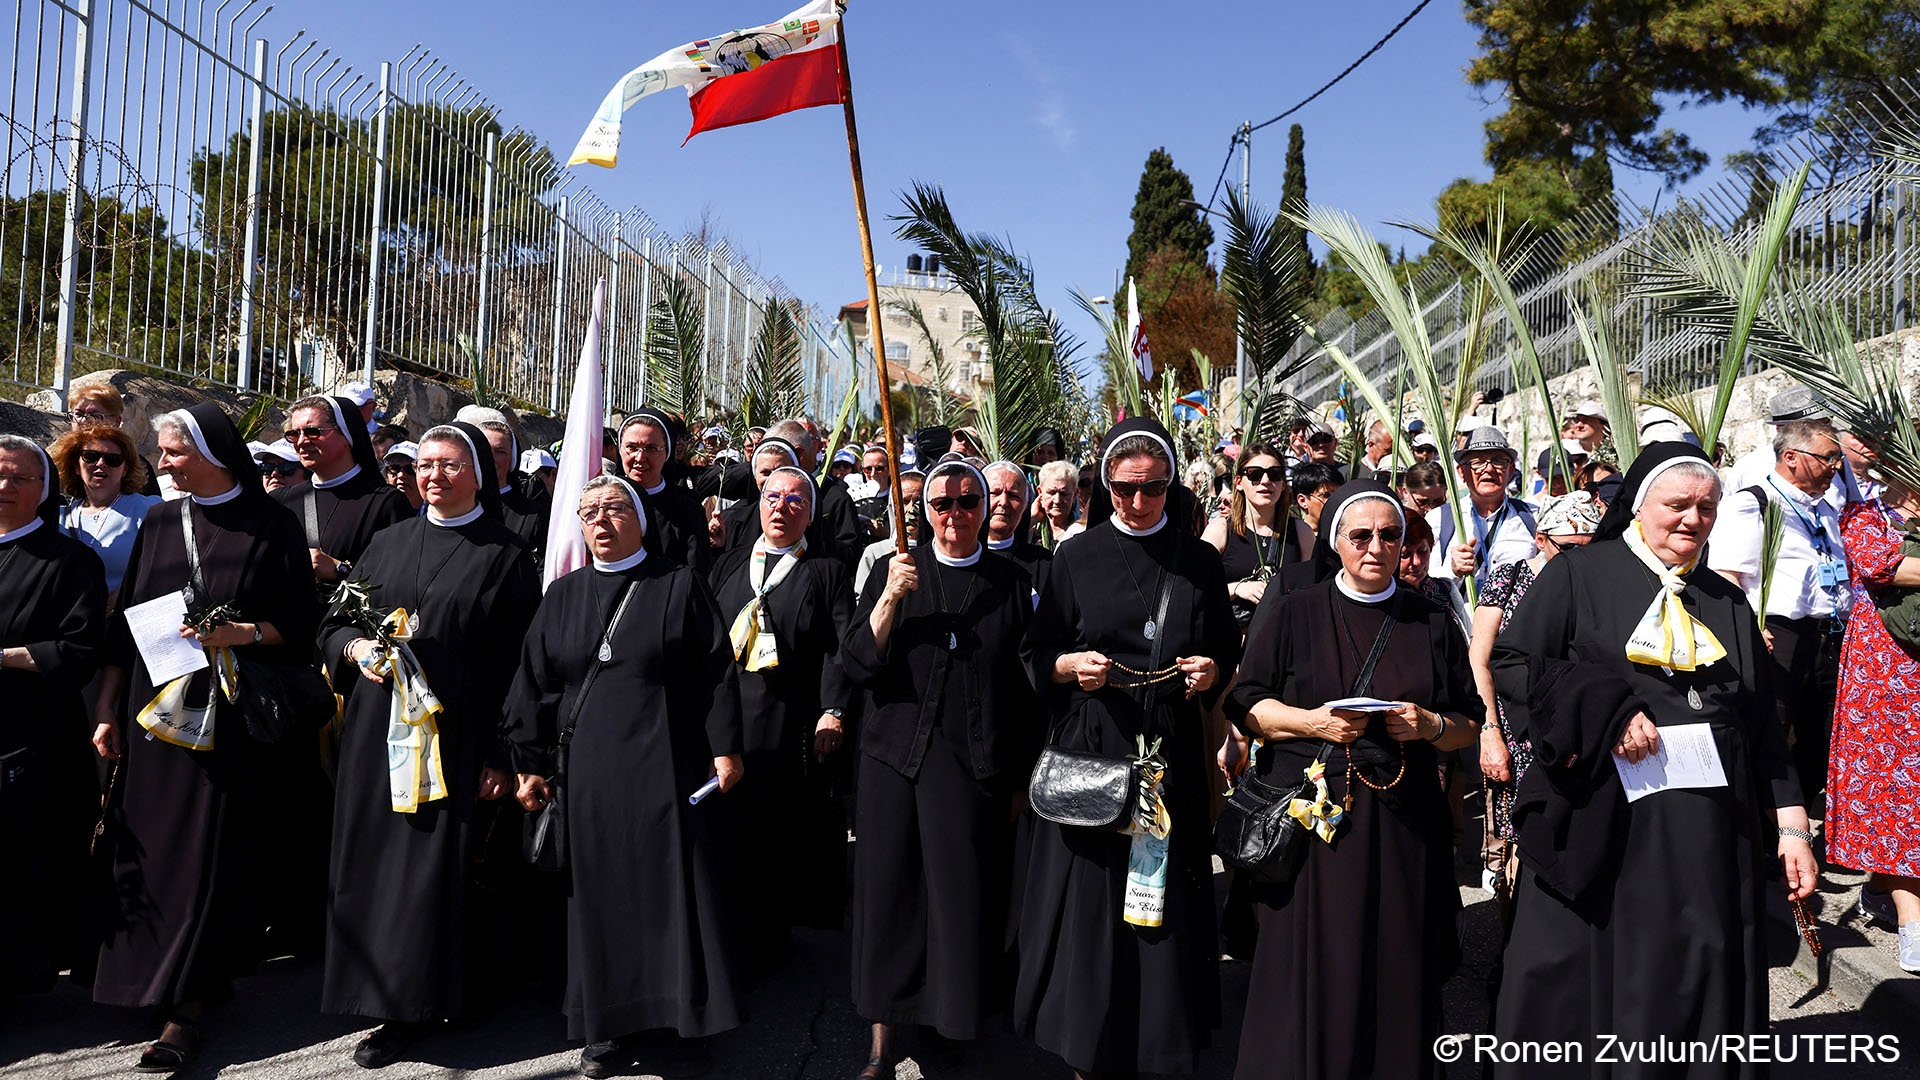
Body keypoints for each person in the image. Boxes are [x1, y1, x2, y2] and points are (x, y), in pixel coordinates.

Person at [1488, 444, 1816, 1072]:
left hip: (1711, 829)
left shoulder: (1725, 601)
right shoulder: (1580, 574)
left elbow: (1763, 730)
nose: (1692, 519)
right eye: (1677, 505)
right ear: (1640, 507)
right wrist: (1606, 710)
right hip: (1609, 818)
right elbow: (1514, 664)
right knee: (1609, 963)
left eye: (1707, 508)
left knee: (1700, 956)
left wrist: (1794, 827)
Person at [1226, 480, 1483, 1079]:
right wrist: (1311, 721)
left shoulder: (1432, 619)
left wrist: (1428, 725)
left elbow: (1468, 721)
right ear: (1335, 540)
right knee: (1317, 960)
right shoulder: (1295, 609)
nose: (1376, 547)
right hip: (1316, 818)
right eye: (1360, 535)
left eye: (1389, 535)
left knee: (1396, 958)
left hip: (1402, 820)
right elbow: (1247, 703)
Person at [91, 402, 320, 1071]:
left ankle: (188, 1002)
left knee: (205, 853)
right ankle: (144, 979)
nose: (160, 464)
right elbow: (125, 626)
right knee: (150, 847)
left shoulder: (272, 525)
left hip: (226, 721)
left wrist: (239, 634)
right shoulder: (161, 519)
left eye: (172, 453)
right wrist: (107, 709)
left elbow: (299, 627)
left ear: (214, 454)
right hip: (153, 713)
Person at [1014, 418, 1240, 1079]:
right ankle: (1092, 1046)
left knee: (1162, 900)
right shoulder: (1076, 557)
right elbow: (1036, 652)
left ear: (1170, 486)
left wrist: (1209, 672)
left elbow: (1224, 646)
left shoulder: (1196, 558)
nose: (1138, 502)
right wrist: (1068, 669)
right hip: (1098, 744)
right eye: (1123, 489)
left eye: (1153, 489)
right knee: (1096, 906)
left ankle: (1161, 1045)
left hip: (1168, 749)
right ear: (1103, 485)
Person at [505, 475, 746, 1080]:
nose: (601, 521)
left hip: (666, 762)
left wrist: (726, 749)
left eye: (614, 509)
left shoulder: (679, 583)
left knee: (670, 889)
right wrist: (529, 762)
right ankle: (604, 1025)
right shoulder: (561, 593)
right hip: (584, 771)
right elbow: (533, 681)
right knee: (597, 896)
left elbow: (715, 673)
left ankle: (682, 1019)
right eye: (589, 513)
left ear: (639, 518)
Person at [317, 423, 541, 1067]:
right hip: (374, 733)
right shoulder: (385, 543)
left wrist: (504, 754)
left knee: (431, 872)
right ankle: (381, 1000)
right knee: (375, 866)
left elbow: (521, 665)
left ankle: (434, 997)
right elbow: (333, 624)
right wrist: (355, 648)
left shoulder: (504, 554)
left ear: (479, 473)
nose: (433, 475)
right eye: (424, 464)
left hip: (454, 735)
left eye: (449, 464)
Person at [843, 455, 1040, 1077]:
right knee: (888, 894)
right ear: (923, 512)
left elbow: (1025, 688)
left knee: (958, 896)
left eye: (967, 503)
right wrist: (890, 603)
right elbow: (857, 663)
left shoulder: (1013, 582)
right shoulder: (895, 569)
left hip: (970, 763)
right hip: (892, 760)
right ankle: (881, 1038)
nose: (954, 515)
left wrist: (1015, 779)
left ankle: (951, 1022)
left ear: (987, 509)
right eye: (940, 504)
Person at [707, 465, 856, 964]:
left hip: (787, 721)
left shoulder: (827, 572)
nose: (782, 507)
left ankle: (767, 937)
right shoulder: (727, 565)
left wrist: (832, 710)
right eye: (774, 496)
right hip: (727, 719)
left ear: (811, 514)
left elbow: (839, 649)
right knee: (724, 827)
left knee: (773, 830)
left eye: (797, 500)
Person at [0, 436, 107, 995]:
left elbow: (83, 650)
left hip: (32, 740)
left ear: (43, 489)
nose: (5, 487)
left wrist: (6, 658)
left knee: (24, 868)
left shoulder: (69, 560)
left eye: (19, 478)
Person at [1470, 492, 1603, 913]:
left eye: (1589, 550)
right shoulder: (1509, 578)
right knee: (1517, 842)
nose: (1578, 560)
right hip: (1518, 731)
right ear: (1541, 538)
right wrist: (1490, 732)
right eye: (1568, 549)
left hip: (1577, 734)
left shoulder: (1597, 586)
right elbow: (1481, 658)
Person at [1708, 417, 1850, 811]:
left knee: (1821, 735)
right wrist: (1750, 628)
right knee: (1777, 735)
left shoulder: (1825, 510)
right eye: (1828, 458)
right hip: (1778, 635)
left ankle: (1798, 823)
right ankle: (1773, 837)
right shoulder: (1753, 504)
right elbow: (1727, 575)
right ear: (1791, 457)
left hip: (1827, 635)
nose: (1836, 467)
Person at [1825, 469, 1920, 971]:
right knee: (1898, 787)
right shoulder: (1868, 513)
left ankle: (1881, 889)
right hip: (1887, 667)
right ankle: (1912, 921)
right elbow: (1883, 566)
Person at [273, 395, 412, 595]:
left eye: (313, 432)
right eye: (293, 434)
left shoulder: (385, 503)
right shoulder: (282, 500)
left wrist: (340, 569)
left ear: (347, 435)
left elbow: (399, 580)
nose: (301, 442)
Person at [1203, 442, 1308, 629]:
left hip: (1285, 640)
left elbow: (1312, 591)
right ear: (1239, 482)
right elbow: (1196, 588)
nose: (1266, 481)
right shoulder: (1220, 530)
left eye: (1275, 474)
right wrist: (1237, 588)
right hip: (1235, 644)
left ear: (1283, 484)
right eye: (1255, 474)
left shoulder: (1301, 532)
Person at [49, 425, 161, 598]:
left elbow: (171, 572)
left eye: (113, 459)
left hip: (119, 621)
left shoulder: (149, 510)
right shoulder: (57, 518)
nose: (101, 463)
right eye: (90, 456)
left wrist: (127, 596)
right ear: (76, 466)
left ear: (125, 469)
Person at [1430, 427, 1537, 599]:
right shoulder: (1440, 519)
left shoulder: (1532, 517)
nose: (1489, 469)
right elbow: (1425, 585)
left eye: (1498, 461)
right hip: (1462, 624)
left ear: (1510, 470)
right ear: (1462, 472)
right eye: (1478, 462)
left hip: (1517, 624)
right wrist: (1451, 570)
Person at [621, 409, 716, 573]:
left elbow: (696, 575)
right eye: (632, 447)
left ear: (667, 452)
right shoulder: (601, 504)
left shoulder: (688, 510)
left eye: (651, 448)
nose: (640, 457)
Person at [473, 416, 552, 564]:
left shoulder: (533, 515)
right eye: (483, 450)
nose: (490, 458)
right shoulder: (456, 505)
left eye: (500, 452)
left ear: (512, 459)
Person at [67, 381, 161, 496]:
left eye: (94, 416)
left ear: (116, 422)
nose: (84, 421)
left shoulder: (134, 463)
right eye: (79, 414)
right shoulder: (61, 458)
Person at [983, 459, 1052, 597]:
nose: (1003, 502)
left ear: (1025, 505)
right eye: (995, 493)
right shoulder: (962, 558)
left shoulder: (1044, 564)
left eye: (1014, 495)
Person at [857, 469, 924, 598]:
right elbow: (861, 602)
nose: (911, 509)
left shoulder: (940, 552)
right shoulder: (875, 553)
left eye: (918, 501)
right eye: (904, 501)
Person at [1033, 459, 1082, 548]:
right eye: (1051, 493)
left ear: (1075, 495)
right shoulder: (1031, 531)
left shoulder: (1082, 532)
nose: (1057, 500)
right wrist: (1031, 520)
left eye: (1064, 494)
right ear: (1040, 492)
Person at [1289, 461, 1343, 535]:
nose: (1335, 500)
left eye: (1338, 494)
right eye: (1326, 495)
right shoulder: (1293, 539)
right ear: (1302, 501)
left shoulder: (1348, 535)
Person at [383, 441, 423, 513]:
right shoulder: (379, 512)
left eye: (409, 469)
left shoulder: (438, 512)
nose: (401, 475)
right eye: (394, 468)